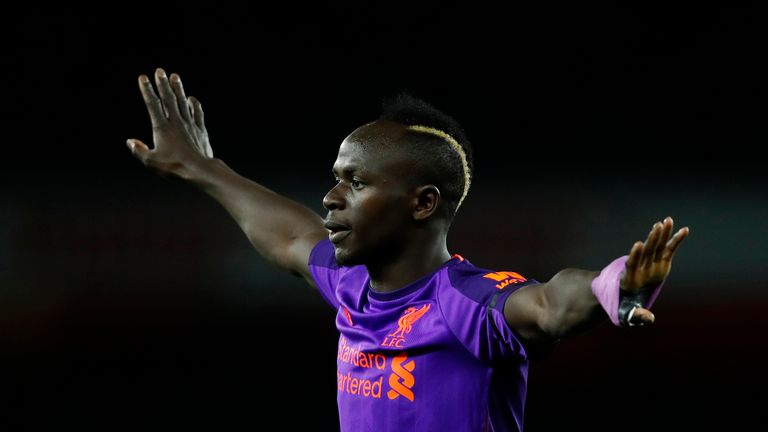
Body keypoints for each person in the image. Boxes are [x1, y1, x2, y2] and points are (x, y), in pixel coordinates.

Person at [126, 68, 689, 432]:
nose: (331, 197)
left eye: (357, 182)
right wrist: (200, 166)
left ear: (422, 203)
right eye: (336, 178)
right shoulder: (350, 285)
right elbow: (289, 235)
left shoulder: (464, 303)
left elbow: (546, 306)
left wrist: (612, 284)